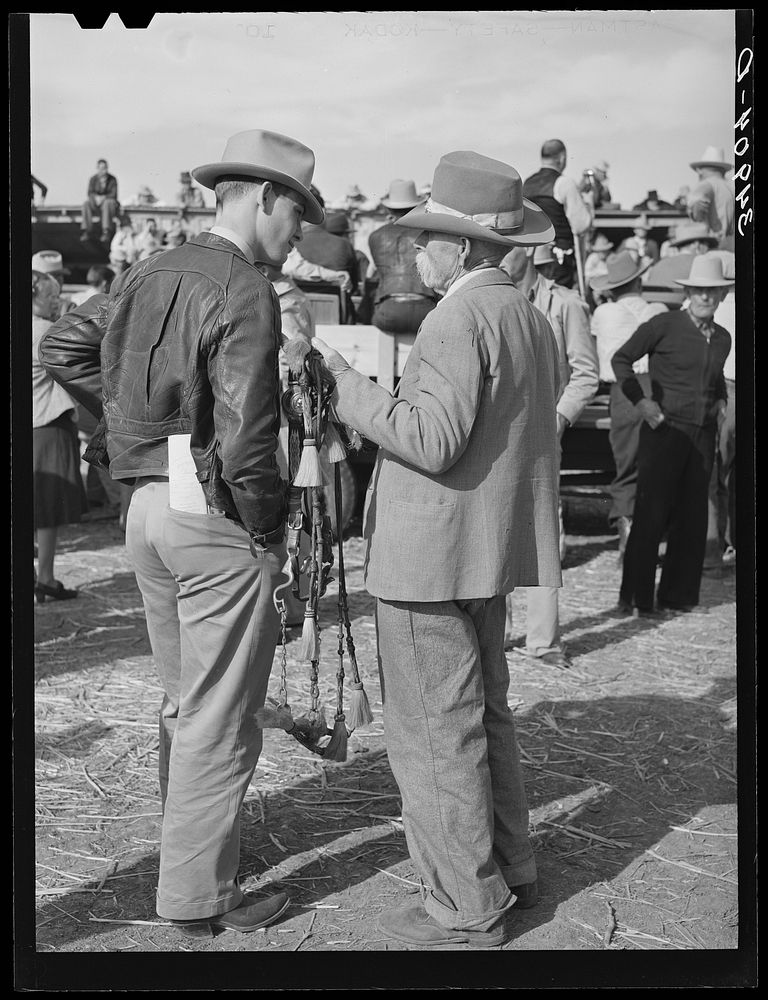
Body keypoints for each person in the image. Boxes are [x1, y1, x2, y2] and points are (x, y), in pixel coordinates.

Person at [39, 127, 325, 939]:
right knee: (217, 717)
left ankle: (191, 862)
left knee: (184, 703)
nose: (300, 235)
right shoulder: (246, 288)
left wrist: (132, 434)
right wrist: (269, 532)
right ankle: (200, 895)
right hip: (214, 516)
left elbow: (65, 344)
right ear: (265, 197)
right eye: (297, 215)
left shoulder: (146, 268)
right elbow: (246, 438)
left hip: (145, 509)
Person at [312, 149, 561, 949]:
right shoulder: (527, 314)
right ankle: (511, 869)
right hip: (484, 550)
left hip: (429, 556)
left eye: (428, 236)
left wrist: (343, 384)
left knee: (433, 732)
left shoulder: (456, 318)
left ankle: (465, 904)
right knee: (485, 715)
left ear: (463, 245)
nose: (416, 249)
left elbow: (431, 439)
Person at [612, 254, 733, 615]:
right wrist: (642, 402)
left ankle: (676, 597)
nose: (705, 297)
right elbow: (621, 360)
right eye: (698, 290)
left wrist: (722, 399)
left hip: (702, 437)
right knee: (651, 513)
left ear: (722, 295)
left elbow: (714, 377)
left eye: (712, 291)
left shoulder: (723, 338)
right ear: (688, 293)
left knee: (692, 517)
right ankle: (635, 599)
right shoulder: (664, 324)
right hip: (664, 430)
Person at [500, 243, 598, 668]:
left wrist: (558, 417)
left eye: (509, 246)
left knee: (542, 531)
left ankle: (543, 642)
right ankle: (495, 636)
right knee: (494, 527)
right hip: (496, 434)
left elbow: (586, 374)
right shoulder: (489, 295)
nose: (501, 253)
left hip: (541, 434)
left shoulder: (565, 303)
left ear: (530, 250)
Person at [589, 252, 668, 560]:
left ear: (612, 287)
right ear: (638, 282)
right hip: (658, 388)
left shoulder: (604, 312)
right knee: (657, 464)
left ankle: (629, 535)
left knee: (626, 465)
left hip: (623, 391)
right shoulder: (657, 309)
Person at [32, 270, 85, 603]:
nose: (56, 301)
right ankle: (46, 577)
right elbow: (76, 369)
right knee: (47, 508)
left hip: (30, 423)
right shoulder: (45, 332)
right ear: (33, 295)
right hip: (48, 423)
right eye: (50, 296)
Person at [363, 179, 440, 333]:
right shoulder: (428, 234)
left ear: (389, 209)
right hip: (425, 311)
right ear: (416, 207)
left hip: (388, 311)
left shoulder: (375, 236)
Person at [523, 138, 593, 289]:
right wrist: (588, 202)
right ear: (562, 158)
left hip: (531, 258)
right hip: (558, 260)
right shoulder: (564, 183)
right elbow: (581, 225)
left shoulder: (527, 183)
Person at [293, 193, 360, 321]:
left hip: (299, 315)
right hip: (338, 316)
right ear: (323, 213)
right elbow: (353, 286)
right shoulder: (343, 244)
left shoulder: (291, 244)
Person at [686, 145, 735, 249]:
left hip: (712, 244)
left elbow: (698, 204)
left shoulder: (706, 184)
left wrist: (699, 224)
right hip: (731, 245)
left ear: (700, 170)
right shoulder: (731, 188)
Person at [80, 158, 119, 245]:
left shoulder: (112, 179)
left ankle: (106, 231)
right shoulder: (93, 179)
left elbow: (114, 194)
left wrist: (104, 198)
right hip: (96, 203)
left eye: (105, 168)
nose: (103, 171)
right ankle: (86, 231)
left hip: (108, 204)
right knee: (86, 204)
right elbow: (90, 193)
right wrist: (96, 198)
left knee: (107, 203)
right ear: (97, 168)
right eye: (101, 168)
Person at [31, 250, 75, 318]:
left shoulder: (69, 308)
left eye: (60, 275)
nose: (58, 280)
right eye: (51, 277)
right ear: (35, 280)